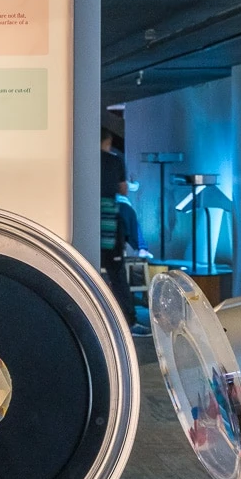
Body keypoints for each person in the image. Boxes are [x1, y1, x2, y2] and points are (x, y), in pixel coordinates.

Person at [100, 129, 138, 329]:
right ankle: (128, 320)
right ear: (108, 141)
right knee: (117, 273)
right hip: (109, 225)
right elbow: (123, 189)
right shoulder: (114, 161)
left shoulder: (83, 157)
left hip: (86, 221)